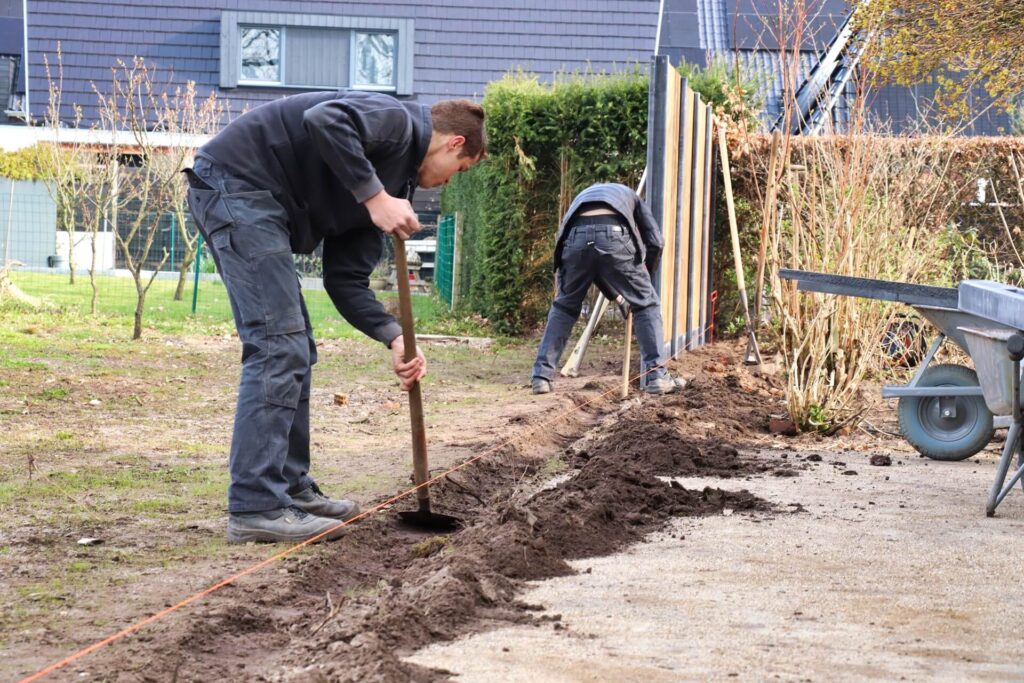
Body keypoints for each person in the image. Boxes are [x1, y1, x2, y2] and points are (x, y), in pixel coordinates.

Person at [185, 92, 486, 543]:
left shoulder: (394, 186)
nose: (447, 183)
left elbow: (345, 281)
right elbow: (325, 119)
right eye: (459, 170)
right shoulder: (396, 121)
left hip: (260, 204)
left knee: (296, 348)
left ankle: (290, 489)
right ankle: (256, 505)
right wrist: (375, 196)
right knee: (277, 344)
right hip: (237, 183)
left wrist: (395, 336)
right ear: (453, 143)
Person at [531, 182, 685, 395]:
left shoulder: (584, 196)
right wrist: (644, 282)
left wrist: (620, 297)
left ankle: (541, 377)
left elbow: (596, 268)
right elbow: (656, 242)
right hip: (615, 236)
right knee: (647, 304)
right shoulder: (633, 197)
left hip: (573, 240)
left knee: (564, 308)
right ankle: (657, 375)